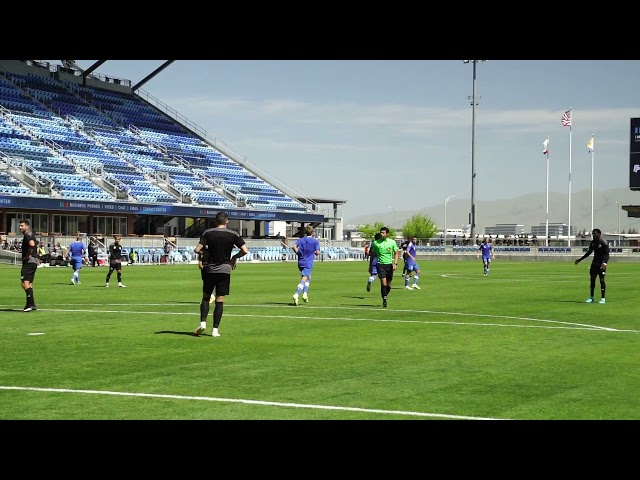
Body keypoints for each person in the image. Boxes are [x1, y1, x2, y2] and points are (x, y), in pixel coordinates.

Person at [193, 211, 248, 337]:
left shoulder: (208, 233)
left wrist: (204, 254)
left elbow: (197, 249)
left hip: (210, 269)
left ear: (215, 221)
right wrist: (234, 257)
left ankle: (202, 323)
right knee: (219, 300)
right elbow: (245, 250)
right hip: (225, 269)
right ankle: (215, 330)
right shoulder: (233, 234)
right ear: (227, 221)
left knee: (206, 297)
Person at [574, 228, 610, 304]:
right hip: (594, 264)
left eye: (594, 233)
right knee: (592, 280)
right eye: (592, 233)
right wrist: (580, 259)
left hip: (601, 264)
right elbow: (589, 252)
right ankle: (591, 297)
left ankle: (603, 298)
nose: (593, 235)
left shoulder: (604, 242)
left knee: (602, 280)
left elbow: (607, 254)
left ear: (599, 234)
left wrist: (604, 263)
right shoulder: (593, 243)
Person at [370, 226, 399, 308]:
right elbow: (372, 254)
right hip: (380, 265)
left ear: (387, 234)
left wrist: (395, 263)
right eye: (381, 233)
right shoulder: (376, 243)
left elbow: (396, 253)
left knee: (389, 285)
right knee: (384, 282)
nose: (381, 234)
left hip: (389, 265)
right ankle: (385, 300)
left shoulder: (392, 242)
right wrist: (371, 266)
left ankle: (384, 294)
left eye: (383, 233)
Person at [292, 225, 321, 306]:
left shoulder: (301, 240)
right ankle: (297, 294)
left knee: (308, 277)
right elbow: (318, 252)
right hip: (308, 262)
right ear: (312, 232)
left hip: (300, 261)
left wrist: (298, 253)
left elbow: (294, 246)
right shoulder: (315, 241)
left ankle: (305, 294)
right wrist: (315, 252)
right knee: (305, 278)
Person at [19, 219, 39, 312]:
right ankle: (32, 304)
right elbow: (36, 247)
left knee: (24, 283)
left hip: (29, 262)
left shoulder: (28, 235)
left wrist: (27, 256)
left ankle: (30, 305)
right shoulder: (30, 235)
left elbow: (32, 245)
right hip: (33, 261)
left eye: (22, 226)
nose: (20, 227)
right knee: (29, 283)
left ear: (27, 226)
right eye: (20, 226)